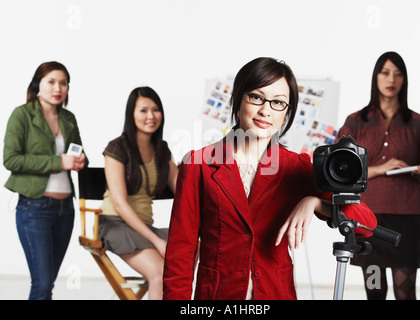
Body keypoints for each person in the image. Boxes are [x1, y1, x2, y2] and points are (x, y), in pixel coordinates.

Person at [163, 57, 376, 300]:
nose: (266, 110)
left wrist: (315, 203)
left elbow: (366, 226)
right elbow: (180, 253)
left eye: (278, 103)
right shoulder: (198, 164)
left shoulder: (296, 166)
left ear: (286, 113)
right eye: (256, 97)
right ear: (238, 99)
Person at [336, 51, 420, 300]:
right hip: (368, 217)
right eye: (385, 72)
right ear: (376, 77)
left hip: (407, 217)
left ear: (404, 79)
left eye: (397, 73)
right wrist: (381, 169)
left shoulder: (418, 122)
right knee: (375, 293)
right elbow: (340, 171)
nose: (391, 78)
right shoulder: (355, 122)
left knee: (406, 294)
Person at [3, 61, 87, 300]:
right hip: (34, 208)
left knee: (47, 283)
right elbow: (11, 160)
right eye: (51, 82)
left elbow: (79, 153)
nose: (57, 88)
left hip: (65, 210)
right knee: (41, 284)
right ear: (37, 84)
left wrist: (81, 161)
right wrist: (58, 162)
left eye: (63, 83)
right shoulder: (22, 115)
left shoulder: (68, 118)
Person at [98, 86, 178, 300]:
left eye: (155, 109)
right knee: (160, 272)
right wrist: (157, 240)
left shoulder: (162, 149)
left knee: (193, 246)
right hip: (114, 224)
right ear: (131, 114)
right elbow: (120, 204)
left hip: (145, 226)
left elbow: (183, 190)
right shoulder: (116, 148)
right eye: (143, 110)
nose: (151, 116)